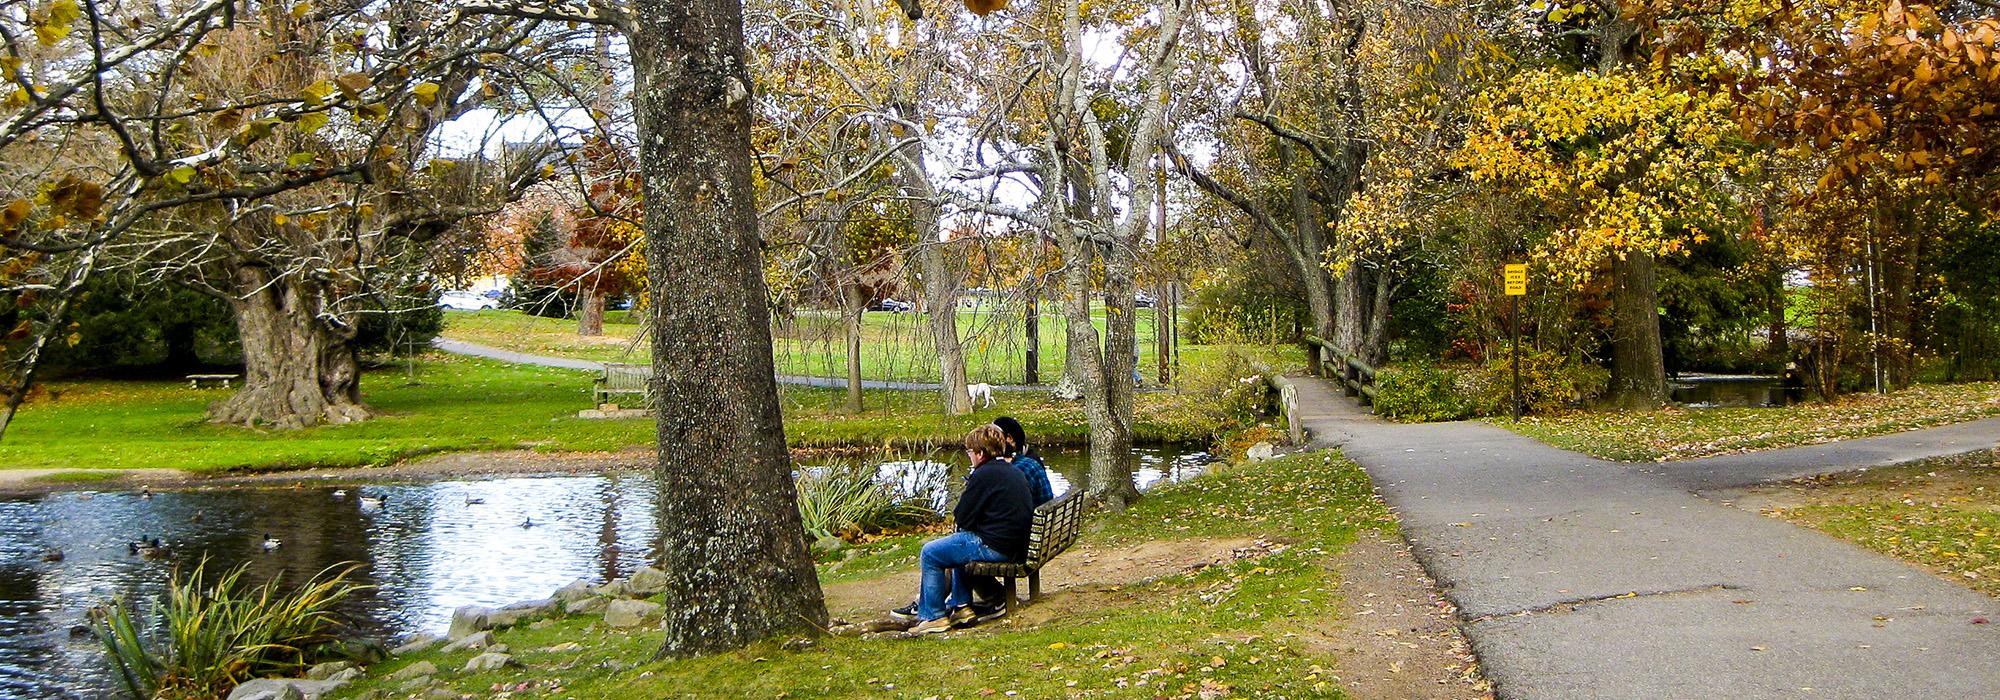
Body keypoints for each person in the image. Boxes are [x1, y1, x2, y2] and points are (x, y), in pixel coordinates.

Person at [895, 424, 1033, 634]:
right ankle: (961, 607)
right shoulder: (1010, 470)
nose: (968, 456)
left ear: (979, 453)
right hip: (1015, 543)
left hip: (998, 546)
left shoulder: (983, 475)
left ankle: (933, 616)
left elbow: (962, 516)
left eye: (969, 451)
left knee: (931, 553)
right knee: (958, 544)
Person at [993, 416, 1054, 507]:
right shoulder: (1029, 458)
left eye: (994, 436)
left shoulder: (1022, 467)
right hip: (1041, 515)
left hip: (1031, 518)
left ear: (1009, 438)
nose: (989, 440)